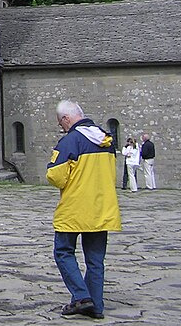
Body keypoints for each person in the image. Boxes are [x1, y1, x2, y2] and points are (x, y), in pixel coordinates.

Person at [47, 100, 122, 320]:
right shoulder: (106, 140)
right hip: (101, 208)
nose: (61, 127)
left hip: (75, 208)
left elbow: (56, 176)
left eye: (61, 122)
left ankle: (81, 296)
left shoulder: (70, 141)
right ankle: (96, 306)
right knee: (95, 260)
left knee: (63, 252)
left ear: (66, 119)